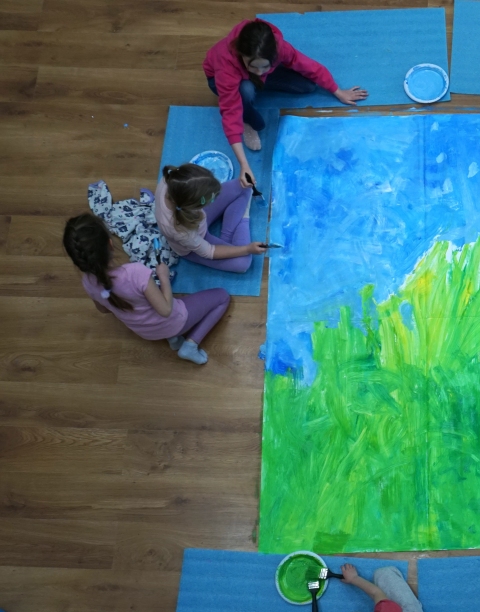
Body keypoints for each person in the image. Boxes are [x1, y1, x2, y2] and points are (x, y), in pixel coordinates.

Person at [203, 18, 368, 186]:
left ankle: (258, 82)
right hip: (224, 81)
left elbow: (310, 66)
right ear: (242, 55)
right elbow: (230, 112)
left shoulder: (279, 48)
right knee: (246, 90)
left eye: (264, 66)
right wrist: (244, 165)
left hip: (255, 74)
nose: (259, 72)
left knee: (308, 86)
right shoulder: (226, 64)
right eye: (253, 66)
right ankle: (247, 118)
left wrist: (338, 92)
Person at [63, 213, 230, 365]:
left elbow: (104, 310)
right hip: (173, 321)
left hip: (145, 332)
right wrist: (163, 277)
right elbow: (166, 310)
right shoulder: (135, 273)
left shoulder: (87, 282)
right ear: (110, 244)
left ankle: (173, 338)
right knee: (222, 297)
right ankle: (191, 344)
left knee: (165, 305)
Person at [155, 164, 266, 273]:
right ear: (194, 205)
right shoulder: (180, 231)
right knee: (243, 262)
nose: (213, 199)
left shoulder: (171, 179)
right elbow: (209, 251)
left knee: (245, 185)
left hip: (194, 217)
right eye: (209, 199)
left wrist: (244, 166)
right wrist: (247, 249)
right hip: (194, 240)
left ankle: (226, 238)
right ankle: (242, 217)